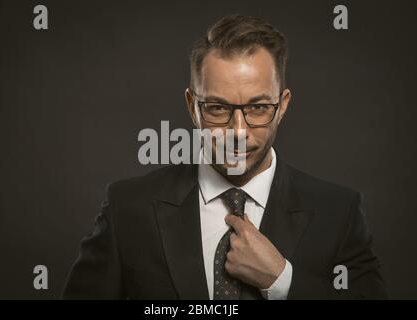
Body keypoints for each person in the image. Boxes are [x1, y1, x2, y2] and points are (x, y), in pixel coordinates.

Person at [63, 14, 387, 299]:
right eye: (218, 108)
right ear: (193, 106)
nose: (238, 130)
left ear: (282, 105)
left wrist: (281, 281)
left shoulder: (338, 212)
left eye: (258, 108)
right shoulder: (127, 207)